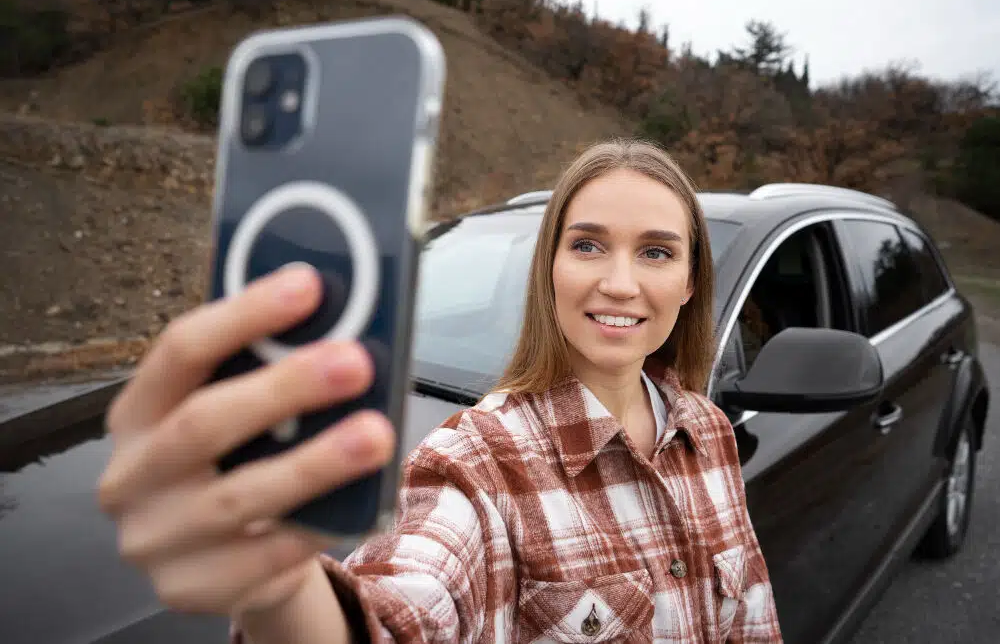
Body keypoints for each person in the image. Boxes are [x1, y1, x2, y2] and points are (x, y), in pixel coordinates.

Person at [98, 138, 783, 643]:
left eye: (657, 252)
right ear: (550, 267)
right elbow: (404, 608)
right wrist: (280, 586)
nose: (621, 283)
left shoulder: (707, 431)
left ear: (691, 283)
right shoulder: (479, 463)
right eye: (588, 245)